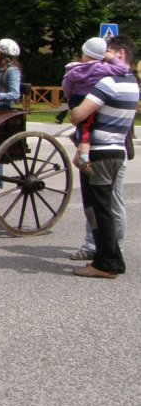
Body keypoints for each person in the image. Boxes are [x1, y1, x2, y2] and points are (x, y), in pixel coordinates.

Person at [68, 35, 138, 279]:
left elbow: (78, 115)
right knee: (105, 208)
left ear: (120, 54)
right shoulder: (132, 82)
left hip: (99, 154)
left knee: (97, 210)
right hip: (117, 151)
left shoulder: (108, 83)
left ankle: (104, 264)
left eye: (108, 51)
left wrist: (73, 109)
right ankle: (115, 259)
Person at [61, 37, 128, 175]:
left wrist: (70, 97)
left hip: (75, 98)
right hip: (90, 99)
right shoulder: (102, 68)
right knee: (87, 127)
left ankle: (79, 147)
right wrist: (111, 58)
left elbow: (66, 84)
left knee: (83, 126)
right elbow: (123, 69)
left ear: (84, 53)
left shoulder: (74, 68)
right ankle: (83, 158)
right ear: (102, 55)